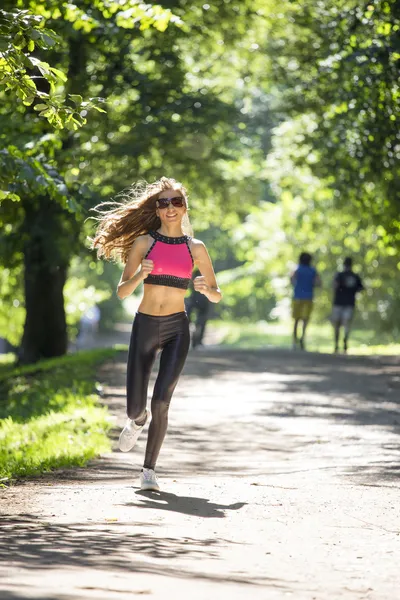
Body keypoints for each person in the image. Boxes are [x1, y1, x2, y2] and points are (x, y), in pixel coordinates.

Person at [92, 177, 222, 491]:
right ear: (157, 209)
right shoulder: (143, 243)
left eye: (176, 201)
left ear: (184, 207)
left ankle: (148, 470)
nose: (170, 208)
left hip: (178, 328)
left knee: (162, 400)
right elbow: (122, 292)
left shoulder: (196, 248)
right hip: (145, 325)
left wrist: (206, 289)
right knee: (137, 408)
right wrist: (140, 274)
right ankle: (137, 420)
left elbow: (217, 293)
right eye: (163, 203)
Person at [331, 257, 364, 354]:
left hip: (340, 303)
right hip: (347, 303)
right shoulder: (353, 276)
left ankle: (339, 343)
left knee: (339, 324)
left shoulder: (341, 275)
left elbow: (334, 286)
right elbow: (361, 288)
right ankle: (340, 343)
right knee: (345, 323)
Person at [290, 252, 321, 350]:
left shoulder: (297, 269)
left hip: (297, 297)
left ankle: (294, 341)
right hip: (308, 297)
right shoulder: (313, 271)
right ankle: (302, 338)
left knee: (296, 320)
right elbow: (318, 283)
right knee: (305, 320)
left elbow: (291, 280)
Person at [186, 269, 210, 348]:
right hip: (202, 298)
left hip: (196, 298)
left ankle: (196, 340)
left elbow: (189, 285)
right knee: (201, 320)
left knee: (198, 320)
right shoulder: (206, 272)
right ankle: (197, 341)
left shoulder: (195, 272)